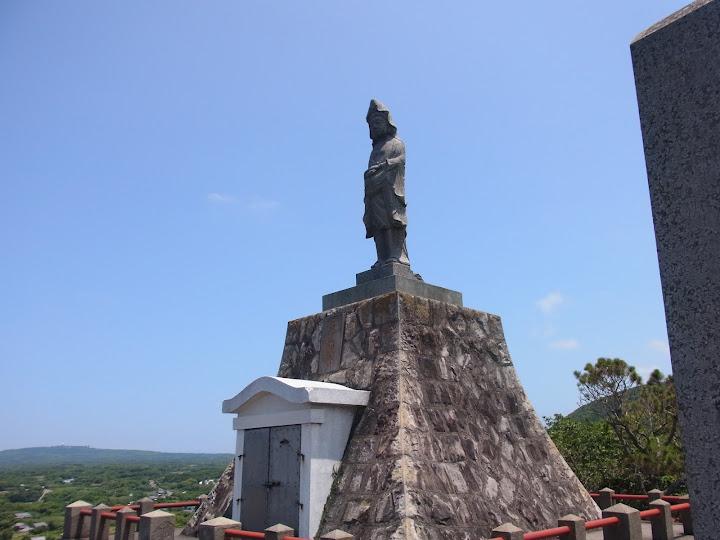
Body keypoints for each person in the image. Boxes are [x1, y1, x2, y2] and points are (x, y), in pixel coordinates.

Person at [363, 99, 410, 267]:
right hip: (374, 191)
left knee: (391, 221)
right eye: (371, 125)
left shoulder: (396, 144)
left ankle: (395, 256)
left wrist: (384, 166)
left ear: (386, 122)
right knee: (378, 224)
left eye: (377, 123)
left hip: (390, 191)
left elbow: (400, 160)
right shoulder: (376, 149)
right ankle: (382, 257)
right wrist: (370, 174)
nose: (374, 127)